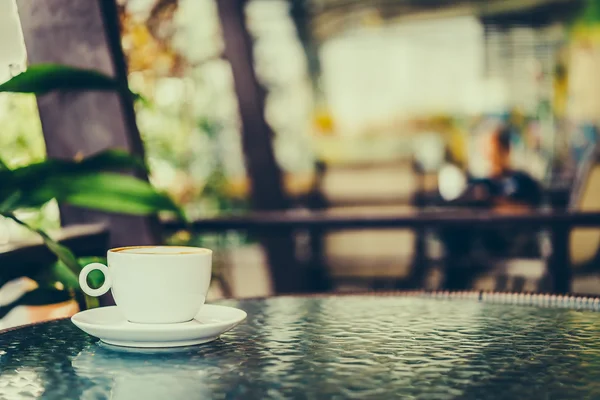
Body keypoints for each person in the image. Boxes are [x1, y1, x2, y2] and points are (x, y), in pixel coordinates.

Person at [441, 122, 542, 289]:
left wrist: (492, 202)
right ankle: (451, 288)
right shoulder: (479, 183)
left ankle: (450, 289)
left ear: (506, 149)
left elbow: (531, 211)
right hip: (477, 244)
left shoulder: (523, 181)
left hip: (508, 243)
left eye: (492, 150)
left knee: (459, 253)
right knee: (455, 237)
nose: (488, 155)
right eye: (485, 150)